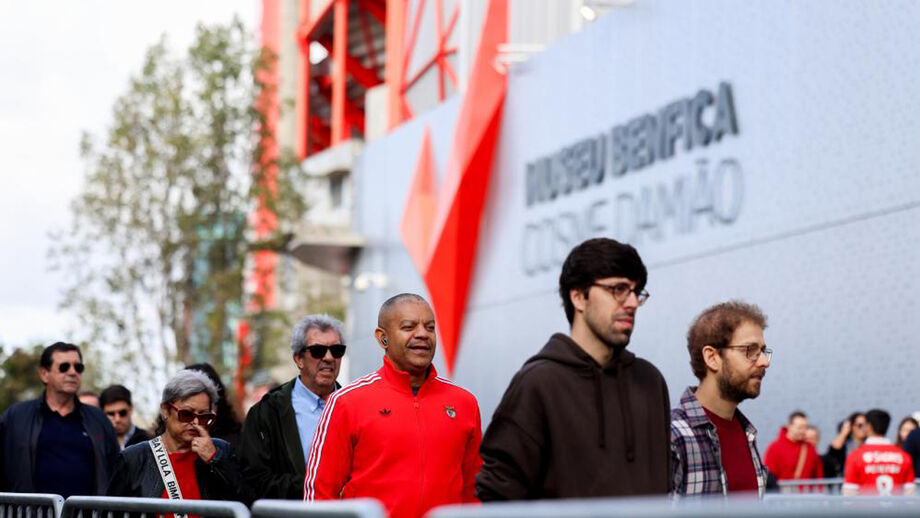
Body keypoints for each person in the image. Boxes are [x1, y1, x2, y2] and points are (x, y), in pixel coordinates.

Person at [477, 238, 670, 500]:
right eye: (619, 289)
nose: (632, 303)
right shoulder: (538, 383)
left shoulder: (650, 381)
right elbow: (497, 496)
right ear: (578, 297)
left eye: (637, 292)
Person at [305, 294, 482, 518]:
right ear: (383, 338)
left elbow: (474, 492)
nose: (422, 334)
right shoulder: (346, 402)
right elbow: (319, 495)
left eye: (430, 327)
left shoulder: (464, 403)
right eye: (408, 327)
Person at [239, 314, 345, 499]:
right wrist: (317, 486)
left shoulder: (357, 407)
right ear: (299, 359)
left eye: (336, 350)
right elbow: (254, 481)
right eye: (318, 351)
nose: (329, 358)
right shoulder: (267, 412)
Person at [670, 301, 770, 496]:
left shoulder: (747, 433)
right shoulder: (673, 436)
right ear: (712, 358)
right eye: (750, 351)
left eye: (763, 351)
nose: (764, 362)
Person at [107, 369, 248, 503]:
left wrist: (215, 460)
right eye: (187, 414)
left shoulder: (221, 450)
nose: (196, 422)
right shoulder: (134, 458)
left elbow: (246, 501)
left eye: (204, 416)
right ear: (165, 411)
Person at [0, 342, 118, 496]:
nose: (72, 372)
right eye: (64, 367)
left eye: (78, 367)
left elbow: (116, 473)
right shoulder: (16, 417)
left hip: (88, 509)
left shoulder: (99, 420)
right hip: (30, 508)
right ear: (44, 374)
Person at [843, 409, 914, 496]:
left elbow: (849, 494)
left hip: (865, 504)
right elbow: (910, 494)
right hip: (896, 504)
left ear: (868, 426)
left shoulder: (855, 456)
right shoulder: (904, 457)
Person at [186, 363, 242, 447]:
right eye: (187, 412)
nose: (195, 421)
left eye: (203, 412)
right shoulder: (167, 445)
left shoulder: (234, 444)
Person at [764, 411, 824, 482]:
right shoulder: (774, 448)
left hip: (806, 489)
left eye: (805, 427)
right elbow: (769, 477)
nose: (803, 431)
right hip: (782, 489)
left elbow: (818, 476)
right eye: (800, 428)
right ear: (790, 426)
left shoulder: (810, 448)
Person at [100, 384, 151, 450]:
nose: (117, 419)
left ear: (131, 409)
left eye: (122, 413)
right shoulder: (98, 442)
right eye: (111, 414)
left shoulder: (149, 440)